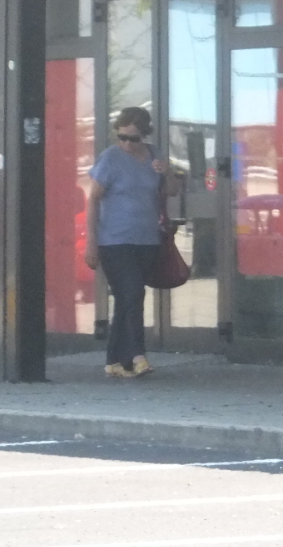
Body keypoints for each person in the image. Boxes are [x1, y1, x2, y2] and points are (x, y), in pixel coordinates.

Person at [84, 106, 174, 378]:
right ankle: (137, 356)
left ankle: (114, 361)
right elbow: (93, 199)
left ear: (144, 136)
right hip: (114, 240)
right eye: (121, 137)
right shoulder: (110, 158)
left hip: (146, 238)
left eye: (133, 138)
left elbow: (170, 191)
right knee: (133, 293)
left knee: (127, 299)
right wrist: (91, 240)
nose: (126, 143)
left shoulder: (154, 155)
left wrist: (166, 172)